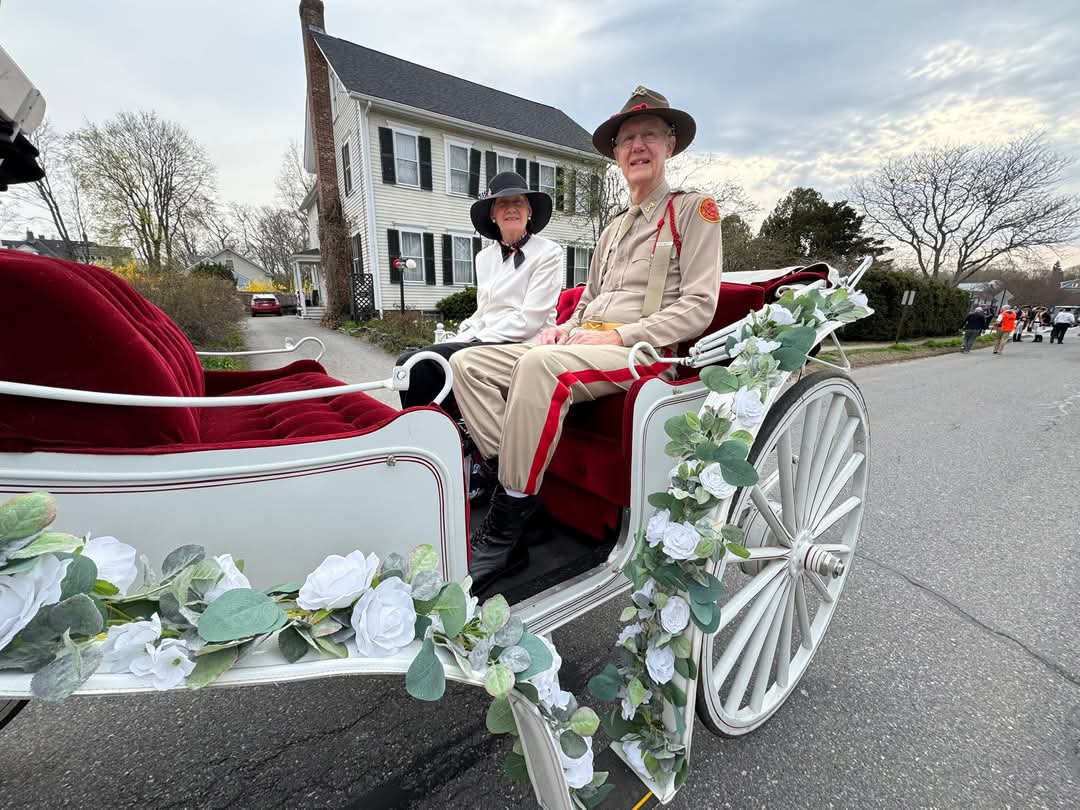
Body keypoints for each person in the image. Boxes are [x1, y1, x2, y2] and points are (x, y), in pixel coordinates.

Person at [451, 87, 722, 593]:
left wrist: (619, 334)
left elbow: (698, 307)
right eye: (627, 140)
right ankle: (520, 497)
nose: (637, 146)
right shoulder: (613, 227)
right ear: (617, 154)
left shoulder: (693, 211)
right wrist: (562, 328)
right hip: (586, 344)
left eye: (648, 137)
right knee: (469, 365)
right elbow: (590, 299)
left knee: (538, 367)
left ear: (670, 146)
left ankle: (506, 531)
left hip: (643, 353)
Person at [394, 172, 562, 408]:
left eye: (518, 202)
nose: (511, 208)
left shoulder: (549, 252)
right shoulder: (484, 257)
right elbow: (484, 312)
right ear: (492, 214)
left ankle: (442, 433)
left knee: (424, 365)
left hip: (525, 342)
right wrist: (464, 334)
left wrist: (475, 340)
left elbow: (530, 319)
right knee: (408, 362)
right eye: (502, 203)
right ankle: (434, 432)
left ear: (530, 210)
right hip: (487, 339)